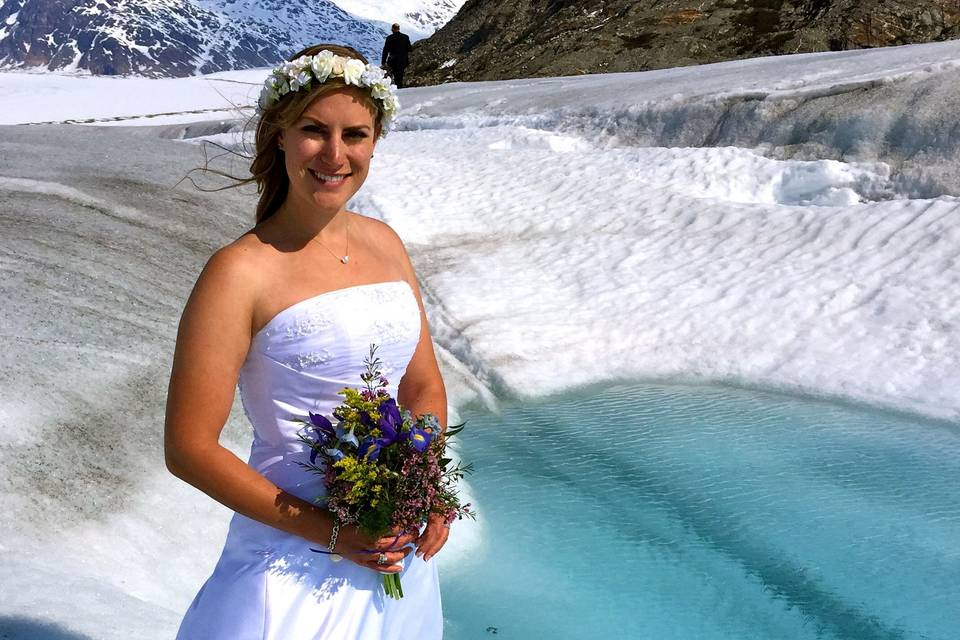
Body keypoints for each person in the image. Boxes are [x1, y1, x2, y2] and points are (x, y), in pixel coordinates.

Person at [166, 43, 449, 639]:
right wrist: (333, 532)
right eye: (314, 130)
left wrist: (419, 491)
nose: (335, 154)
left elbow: (422, 384)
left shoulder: (386, 244)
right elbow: (189, 446)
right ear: (280, 135)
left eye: (356, 134)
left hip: (390, 547)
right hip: (288, 558)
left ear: (376, 140)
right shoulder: (239, 271)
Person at [381, 23, 413, 88]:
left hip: (393, 61)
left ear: (392, 29)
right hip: (403, 60)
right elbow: (410, 49)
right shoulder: (405, 37)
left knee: (395, 76)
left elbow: (385, 50)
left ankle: (397, 89)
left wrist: (383, 62)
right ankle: (400, 87)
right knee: (400, 75)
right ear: (399, 29)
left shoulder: (389, 38)